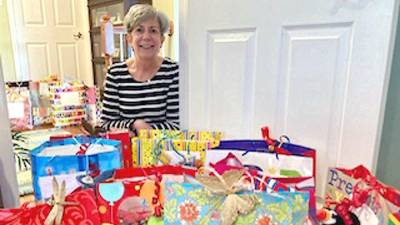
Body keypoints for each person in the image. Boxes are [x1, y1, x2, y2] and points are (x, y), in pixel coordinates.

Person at [100, 4, 179, 132]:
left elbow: (176, 125)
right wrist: (134, 125)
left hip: (164, 148)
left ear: (162, 39)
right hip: (125, 149)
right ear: (129, 39)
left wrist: (147, 130)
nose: (146, 37)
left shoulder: (173, 72)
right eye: (139, 30)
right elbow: (106, 123)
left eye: (153, 30)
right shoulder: (115, 74)